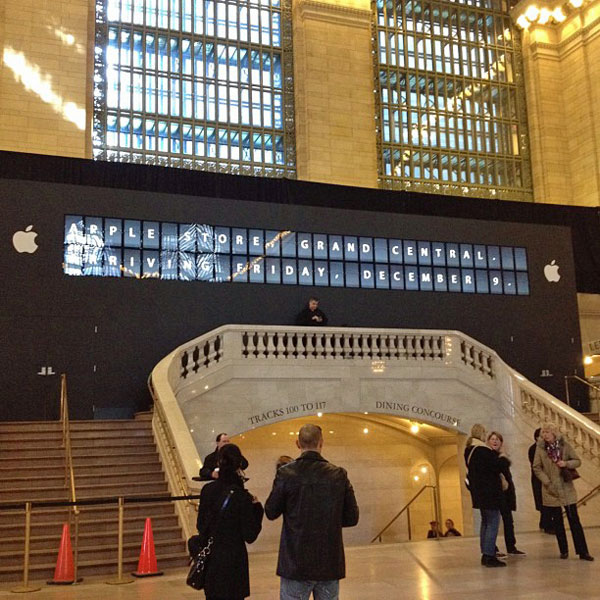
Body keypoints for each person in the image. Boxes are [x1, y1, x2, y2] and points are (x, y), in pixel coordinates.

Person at [265, 423, 359, 600]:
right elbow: (352, 517)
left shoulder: (285, 474)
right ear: (321, 443)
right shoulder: (339, 474)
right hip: (329, 561)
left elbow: (270, 511)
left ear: (297, 443)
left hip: (295, 562)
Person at [196, 443, 264, 600]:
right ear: (239, 466)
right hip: (235, 564)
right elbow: (250, 535)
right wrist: (257, 510)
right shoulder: (243, 497)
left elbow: (200, 526)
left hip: (213, 561)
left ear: (219, 463)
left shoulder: (207, 490)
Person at [532, 422, 594, 561]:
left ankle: (582, 551)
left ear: (554, 433)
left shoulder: (564, 446)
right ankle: (563, 550)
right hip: (551, 489)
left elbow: (577, 461)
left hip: (566, 488)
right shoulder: (540, 448)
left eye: (547, 432)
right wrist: (547, 482)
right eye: (544, 432)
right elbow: (536, 467)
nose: (545, 435)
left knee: (574, 520)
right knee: (558, 522)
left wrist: (566, 464)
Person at [464, 423, 506, 567]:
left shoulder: (469, 450)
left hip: (479, 493)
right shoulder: (482, 451)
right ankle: (489, 555)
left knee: (485, 522)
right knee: (493, 522)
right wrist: (503, 457)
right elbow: (497, 466)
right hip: (490, 493)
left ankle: (485, 552)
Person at [487, 431, 526, 556]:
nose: (495, 441)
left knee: (508, 520)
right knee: (493, 522)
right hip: (495, 493)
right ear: (488, 441)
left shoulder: (503, 456)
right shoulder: (489, 456)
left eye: (497, 439)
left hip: (506, 493)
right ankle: (492, 548)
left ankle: (511, 546)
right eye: (492, 439)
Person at [528, 427, 554, 534]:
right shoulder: (533, 449)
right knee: (543, 502)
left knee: (548, 502)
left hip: (547, 478)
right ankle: (547, 525)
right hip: (539, 479)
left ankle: (545, 523)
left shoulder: (548, 447)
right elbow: (537, 466)